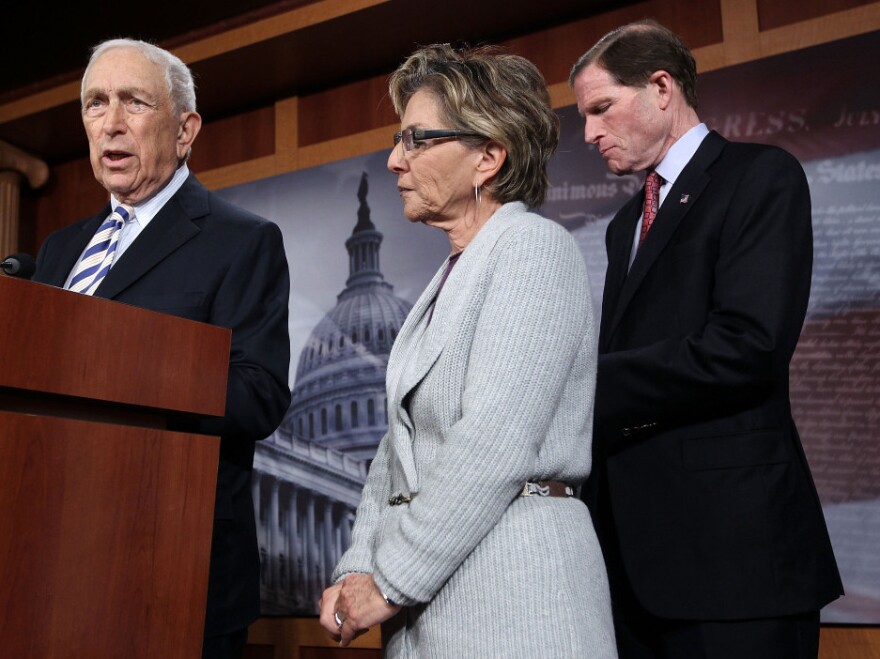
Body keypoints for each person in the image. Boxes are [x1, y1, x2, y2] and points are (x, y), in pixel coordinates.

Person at [317, 44, 617, 657]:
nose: (396, 160)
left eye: (417, 140)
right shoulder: (448, 280)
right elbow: (393, 452)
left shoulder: (534, 249)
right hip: (438, 604)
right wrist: (355, 568)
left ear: (488, 156)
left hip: (518, 595)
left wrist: (390, 580)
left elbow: (494, 443)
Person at [569, 19, 843, 659]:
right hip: (634, 568)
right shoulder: (621, 227)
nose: (588, 134)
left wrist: (581, 381)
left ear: (661, 87)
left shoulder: (760, 177)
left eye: (601, 108)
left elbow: (747, 346)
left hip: (737, 564)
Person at [32, 39, 291, 659]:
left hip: (172, 567)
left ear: (184, 130)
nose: (111, 123)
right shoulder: (58, 251)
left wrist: (119, 366)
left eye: (134, 102)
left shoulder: (241, 241)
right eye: (95, 104)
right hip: (48, 562)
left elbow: (258, 395)